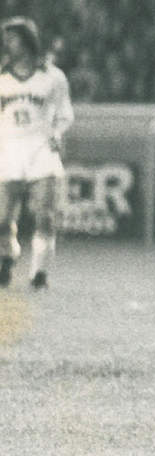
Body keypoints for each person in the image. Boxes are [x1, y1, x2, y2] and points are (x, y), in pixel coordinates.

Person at [0, 17, 74, 290]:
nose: (7, 43)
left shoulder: (52, 77)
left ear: (28, 40)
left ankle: (39, 273)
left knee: (44, 214)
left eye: (13, 38)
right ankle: (6, 258)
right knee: (2, 216)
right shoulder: (2, 75)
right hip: (7, 149)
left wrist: (56, 134)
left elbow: (65, 114)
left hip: (40, 149)